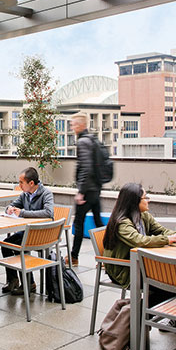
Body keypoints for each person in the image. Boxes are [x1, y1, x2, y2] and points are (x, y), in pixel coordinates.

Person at [102, 182, 176, 306]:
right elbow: (140, 241)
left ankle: (141, 311)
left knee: (175, 281)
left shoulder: (144, 216)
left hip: (140, 265)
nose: (148, 200)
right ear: (135, 201)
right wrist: (170, 239)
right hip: (124, 270)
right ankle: (138, 312)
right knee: (171, 285)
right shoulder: (122, 223)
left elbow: (161, 230)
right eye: (145, 197)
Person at [0, 167, 55, 295]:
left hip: (42, 234)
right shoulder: (25, 194)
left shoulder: (46, 193)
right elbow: (13, 205)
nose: (19, 185)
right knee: (6, 244)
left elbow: (48, 212)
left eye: (21, 182)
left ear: (31, 183)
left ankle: (29, 283)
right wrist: (9, 208)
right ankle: (13, 280)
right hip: (28, 232)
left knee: (19, 247)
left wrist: (23, 213)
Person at [69, 113, 104, 267]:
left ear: (81, 125)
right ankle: (105, 257)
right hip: (96, 189)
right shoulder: (92, 139)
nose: (72, 127)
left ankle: (74, 257)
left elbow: (86, 168)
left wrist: (81, 192)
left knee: (78, 223)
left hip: (87, 190)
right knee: (98, 223)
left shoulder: (83, 142)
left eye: (74, 124)